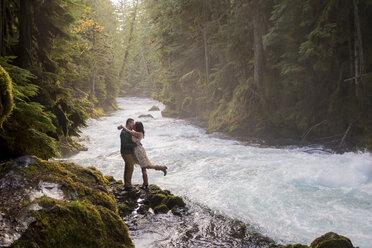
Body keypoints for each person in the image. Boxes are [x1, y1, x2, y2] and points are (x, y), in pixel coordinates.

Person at [118, 121, 167, 189]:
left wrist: (122, 126)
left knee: (146, 166)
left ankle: (161, 168)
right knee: (143, 167)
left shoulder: (138, 133)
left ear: (137, 127)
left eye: (134, 126)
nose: (133, 127)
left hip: (139, 152)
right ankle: (145, 183)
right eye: (133, 125)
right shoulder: (137, 133)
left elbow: (129, 131)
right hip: (136, 151)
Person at [119, 118, 137, 189]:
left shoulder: (129, 131)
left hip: (129, 152)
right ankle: (128, 185)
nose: (133, 124)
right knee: (130, 168)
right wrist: (135, 145)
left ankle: (127, 184)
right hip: (126, 153)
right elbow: (124, 145)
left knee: (127, 168)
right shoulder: (123, 133)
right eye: (132, 123)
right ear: (129, 123)